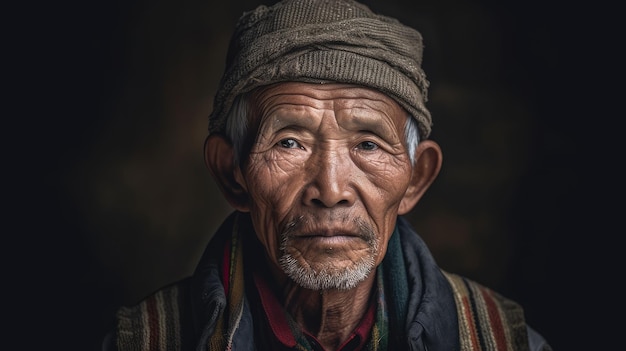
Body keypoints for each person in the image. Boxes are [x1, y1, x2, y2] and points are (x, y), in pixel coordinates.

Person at [103, 0, 552, 350]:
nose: (331, 190)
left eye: (368, 145)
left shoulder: (498, 339)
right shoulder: (147, 340)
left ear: (416, 179)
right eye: (290, 142)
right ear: (231, 173)